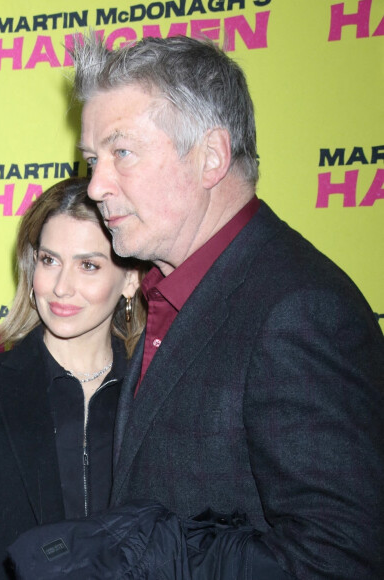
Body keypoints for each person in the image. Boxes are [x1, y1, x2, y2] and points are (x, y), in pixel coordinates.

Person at [70, 35, 384, 579]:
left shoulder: (299, 310)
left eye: (121, 153)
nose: (96, 186)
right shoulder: (167, 293)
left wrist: (151, 554)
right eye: (93, 160)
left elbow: (341, 559)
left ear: (211, 156)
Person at [0, 177, 146, 580]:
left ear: (130, 280)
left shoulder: (151, 395)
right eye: (49, 260)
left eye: (88, 265)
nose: (60, 287)